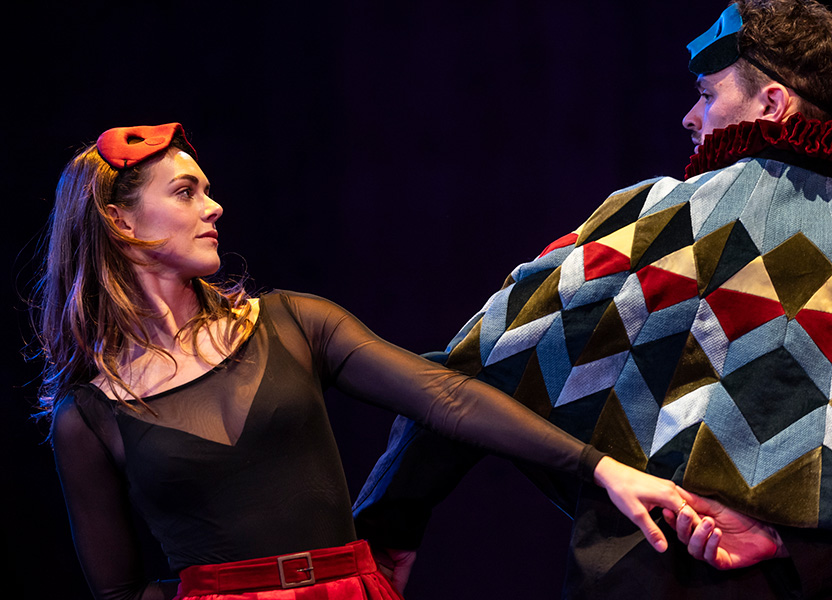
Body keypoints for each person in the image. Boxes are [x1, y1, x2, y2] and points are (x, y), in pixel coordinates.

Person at [32, 122, 694, 600]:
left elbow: (446, 395)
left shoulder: (292, 323)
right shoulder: (89, 415)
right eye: (185, 192)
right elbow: (116, 589)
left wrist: (599, 466)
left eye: (207, 190)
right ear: (121, 223)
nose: (214, 207)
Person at [352, 1, 832, 598]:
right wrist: (796, 539)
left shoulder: (667, 222)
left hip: (650, 571)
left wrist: (386, 525)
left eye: (707, 95)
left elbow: (473, 366)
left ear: (771, 104)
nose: (690, 117)